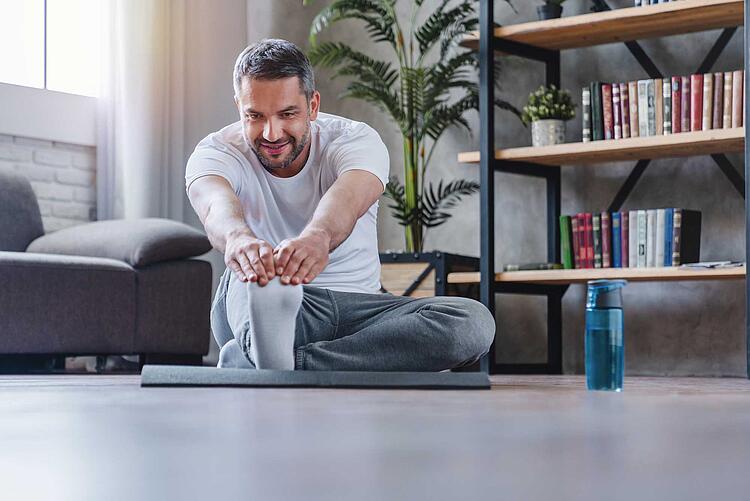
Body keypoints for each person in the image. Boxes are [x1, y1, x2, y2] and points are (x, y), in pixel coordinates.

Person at [185, 39, 495, 371]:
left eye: (287, 114)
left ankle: (267, 365)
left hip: (358, 309)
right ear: (239, 107)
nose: (271, 133)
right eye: (255, 116)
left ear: (313, 105)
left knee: (471, 323)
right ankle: (271, 349)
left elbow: (348, 197)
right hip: (260, 296)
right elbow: (216, 205)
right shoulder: (217, 151)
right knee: (248, 278)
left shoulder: (355, 140)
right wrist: (238, 240)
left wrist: (317, 237)